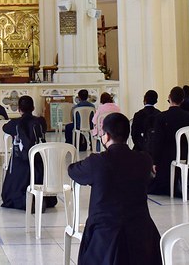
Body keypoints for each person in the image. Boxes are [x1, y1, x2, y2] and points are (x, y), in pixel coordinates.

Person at [67, 113, 163, 265]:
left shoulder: (97, 162)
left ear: (106, 136)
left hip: (104, 233)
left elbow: (73, 171)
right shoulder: (144, 160)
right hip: (141, 233)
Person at [1, 95, 56, 212]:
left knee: (11, 192)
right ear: (33, 108)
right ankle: (41, 198)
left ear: (19, 109)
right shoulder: (40, 122)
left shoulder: (14, 123)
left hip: (20, 164)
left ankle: (25, 200)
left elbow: (4, 128)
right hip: (37, 163)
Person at [147, 87, 189, 195]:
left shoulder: (161, 117)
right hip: (185, 155)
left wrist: (155, 161)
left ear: (169, 98)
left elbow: (157, 142)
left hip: (166, 159)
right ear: (182, 100)